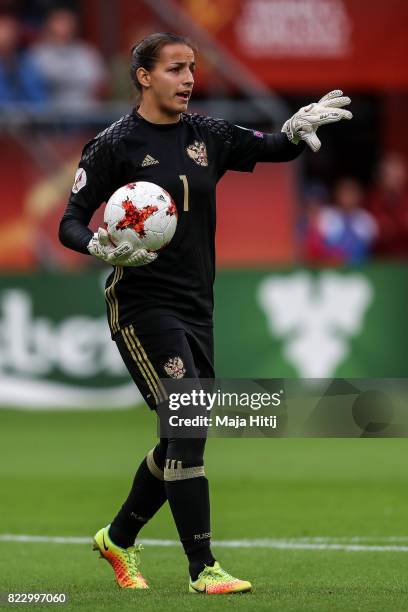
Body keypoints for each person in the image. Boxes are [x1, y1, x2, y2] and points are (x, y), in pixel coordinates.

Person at [59, 32, 352, 594]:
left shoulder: (207, 134)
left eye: (192, 68)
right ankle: (203, 568)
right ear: (143, 76)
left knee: (182, 434)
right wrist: (96, 243)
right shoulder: (113, 144)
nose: (189, 78)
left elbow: (270, 149)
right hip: (142, 304)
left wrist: (293, 131)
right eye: (175, 68)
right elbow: (70, 220)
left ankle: (118, 539)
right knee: (188, 420)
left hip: (197, 305)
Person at [31, 8, 107, 112]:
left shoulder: (88, 52)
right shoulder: (37, 55)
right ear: (49, 29)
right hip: (50, 119)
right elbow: (33, 89)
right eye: (59, 25)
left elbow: (101, 84)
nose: (63, 30)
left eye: (66, 25)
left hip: (87, 117)